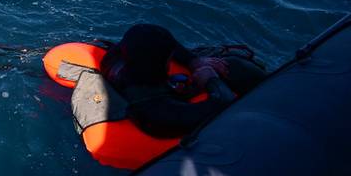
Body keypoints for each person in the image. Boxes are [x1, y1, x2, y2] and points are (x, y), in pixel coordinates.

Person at [99, 24, 266, 139]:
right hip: (172, 117)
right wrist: (211, 79)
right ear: (163, 64)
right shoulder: (154, 111)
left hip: (152, 85)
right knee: (236, 69)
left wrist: (193, 60)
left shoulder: (114, 60)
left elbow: (154, 36)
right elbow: (224, 103)